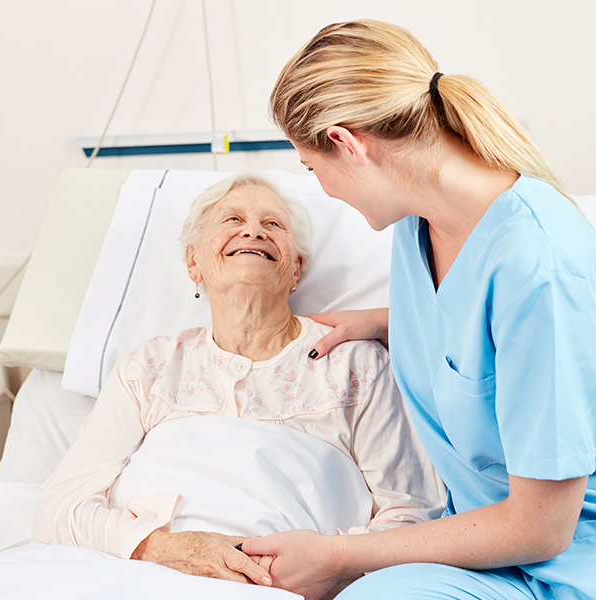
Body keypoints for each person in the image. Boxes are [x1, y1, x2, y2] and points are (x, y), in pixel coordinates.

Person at [241, 19, 596, 600]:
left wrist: (337, 554)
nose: (323, 189)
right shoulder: (417, 223)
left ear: (347, 143)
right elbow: (471, 331)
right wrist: (383, 322)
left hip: (561, 562)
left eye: (313, 169)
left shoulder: (538, 266)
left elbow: (543, 527)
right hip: (478, 547)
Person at [32, 172, 445, 590]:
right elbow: (59, 509)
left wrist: (326, 566)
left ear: (296, 268)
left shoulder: (356, 364)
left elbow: (412, 515)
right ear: (193, 262)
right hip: (140, 576)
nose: (252, 231)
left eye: (273, 224)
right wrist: (168, 549)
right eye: (231, 220)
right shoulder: (148, 368)